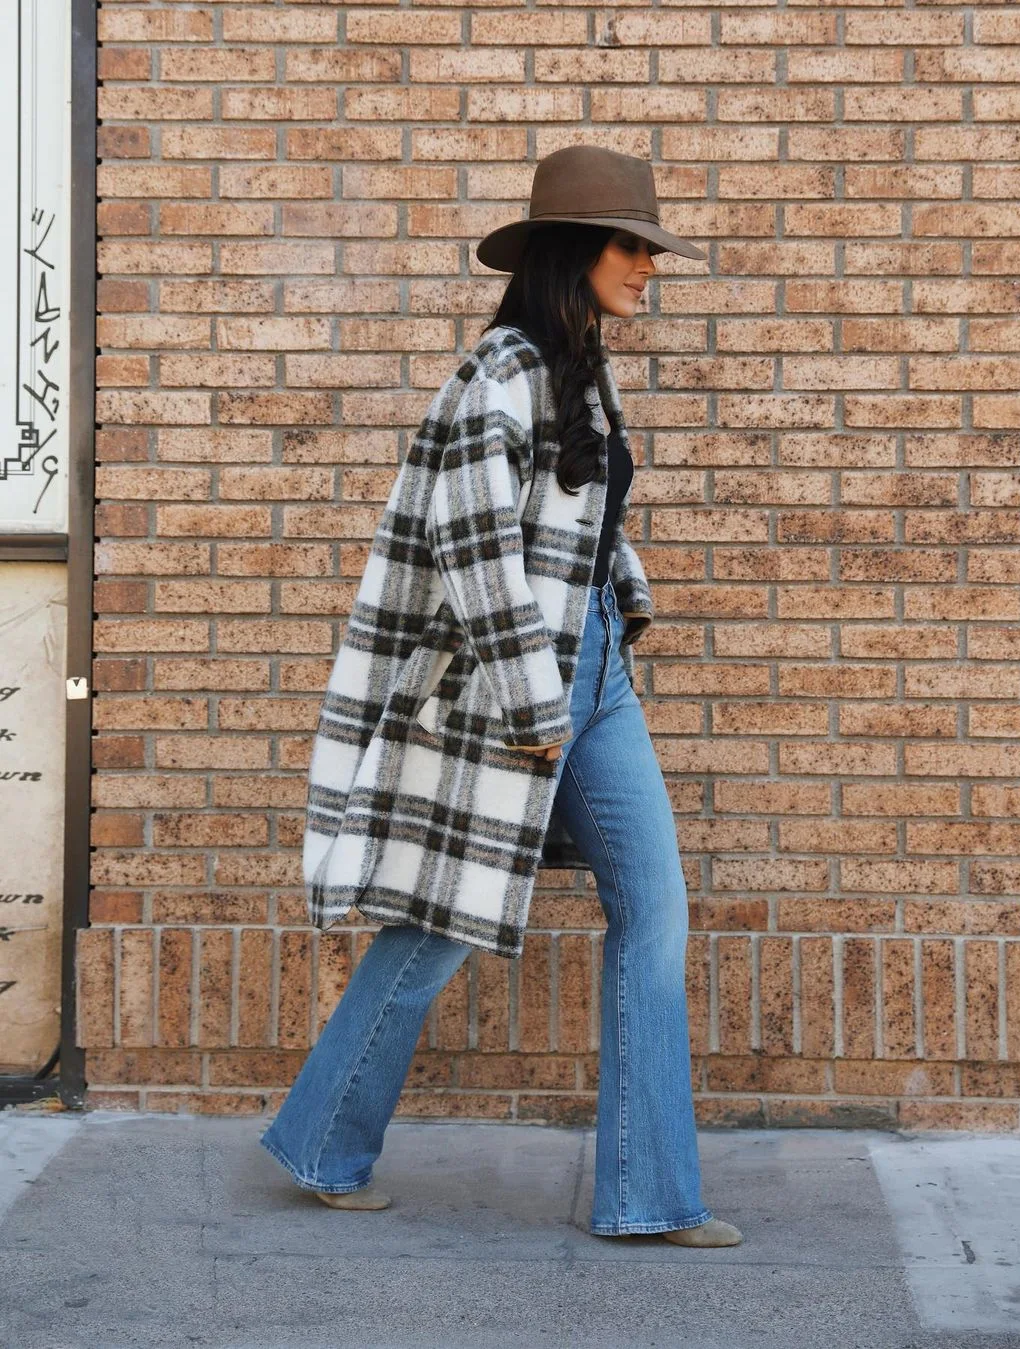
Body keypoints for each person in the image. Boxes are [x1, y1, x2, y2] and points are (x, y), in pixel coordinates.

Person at [260, 145, 743, 1247]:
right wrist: (536, 708)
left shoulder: (580, 363)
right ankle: (322, 1139)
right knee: (438, 925)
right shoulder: (498, 376)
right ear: (575, 252)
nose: (648, 267)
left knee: (654, 907)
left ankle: (649, 1192)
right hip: (514, 685)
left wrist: (628, 597)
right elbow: (475, 553)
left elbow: (584, 515)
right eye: (631, 246)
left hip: (597, 671)